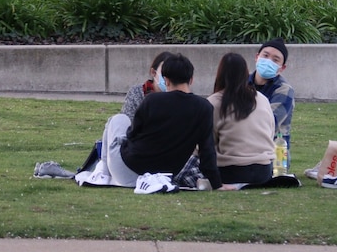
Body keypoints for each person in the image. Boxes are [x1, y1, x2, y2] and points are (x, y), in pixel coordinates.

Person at [83, 53, 233, 191]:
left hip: (127, 174)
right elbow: (207, 151)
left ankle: (102, 171)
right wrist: (217, 184)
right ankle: (103, 171)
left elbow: (132, 133)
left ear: (166, 80)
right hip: (164, 177)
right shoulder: (204, 107)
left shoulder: (152, 100)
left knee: (117, 120)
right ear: (191, 79)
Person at [35, 52, 173, 179]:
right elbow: (127, 127)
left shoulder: (178, 99)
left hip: (157, 156)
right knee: (116, 123)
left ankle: (98, 171)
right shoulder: (138, 93)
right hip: (136, 151)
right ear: (153, 73)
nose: (168, 79)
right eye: (164, 73)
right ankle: (99, 170)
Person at [206, 52, 275, 185]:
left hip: (230, 171)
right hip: (264, 171)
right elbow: (270, 131)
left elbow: (206, 143)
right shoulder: (262, 99)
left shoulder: (214, 102)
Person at [249, 38, 295, 153]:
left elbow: (269, 123)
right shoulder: (241, 82)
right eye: (265, 55)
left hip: (274, 153)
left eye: (275, 60)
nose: (268, 61)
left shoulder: (284, 90)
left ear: (282, 68)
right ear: (257, 57)